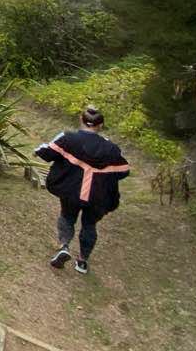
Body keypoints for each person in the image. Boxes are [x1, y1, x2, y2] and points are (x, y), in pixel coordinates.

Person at [34, 106, 130, 274]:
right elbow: (123, 171)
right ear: (101, 125)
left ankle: (64, 246)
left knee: (67, 217)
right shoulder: (111, 149)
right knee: (90, 225)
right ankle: (82, 261)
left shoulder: (68, 139)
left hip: (71, 192)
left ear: (81, 120)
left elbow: (46, 152)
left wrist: (37, 150)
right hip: (97, 197)